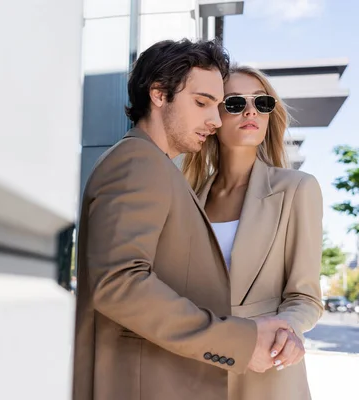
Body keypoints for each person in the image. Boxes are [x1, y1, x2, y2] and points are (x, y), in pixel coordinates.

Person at [72, 39, 290, 400]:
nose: (215, 120)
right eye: (202, 103)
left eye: (218, 107)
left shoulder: (158, 167)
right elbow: (120, 284)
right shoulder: (137, 163)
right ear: (159, 94)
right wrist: (239, 341)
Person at [182, 65, 323, 399]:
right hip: (196, 372)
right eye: (234, 103)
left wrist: (287, 330)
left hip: (267, 374)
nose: (250, 111)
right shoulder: (189, 199)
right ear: (213, 118)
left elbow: (305, 297)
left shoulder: (297, 189)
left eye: (262, 103)